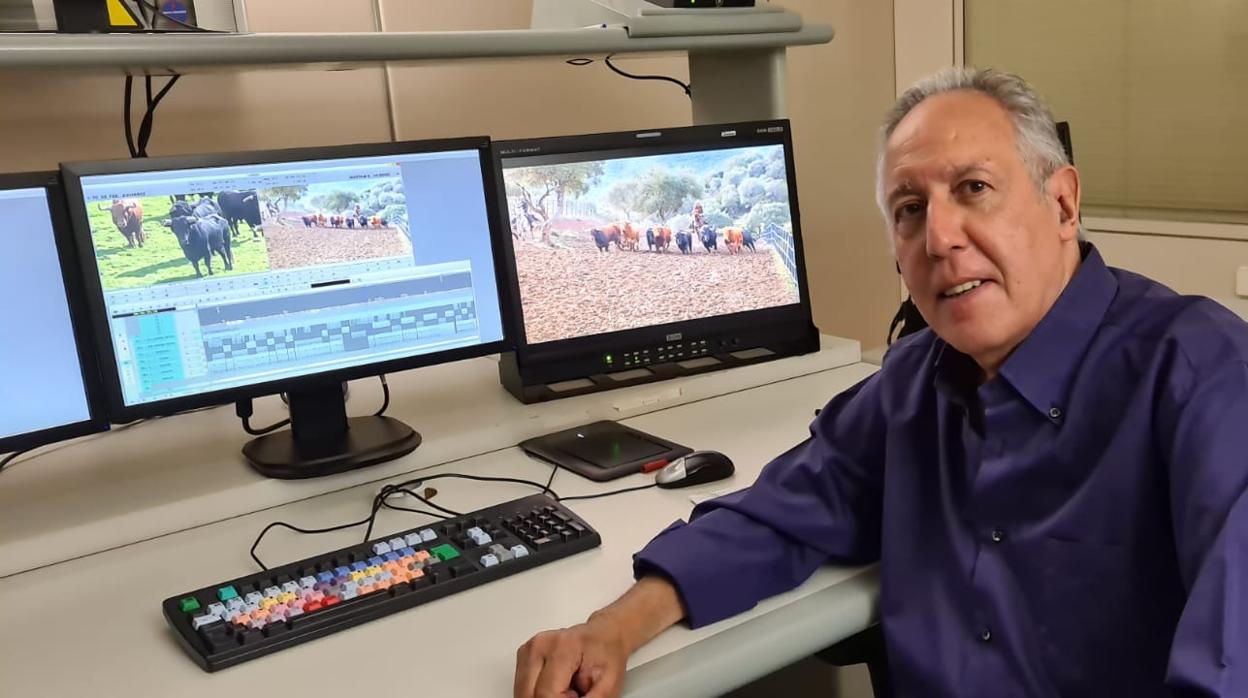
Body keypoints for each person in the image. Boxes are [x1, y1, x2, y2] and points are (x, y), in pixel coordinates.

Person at [513, 67, 1248, 698]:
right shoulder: (914, 382)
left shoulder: (1203, 379)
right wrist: (611, 628)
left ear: (1062, 204)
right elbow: (782, 514)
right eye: (910, 210)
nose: (940, 238)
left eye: (974, 188)